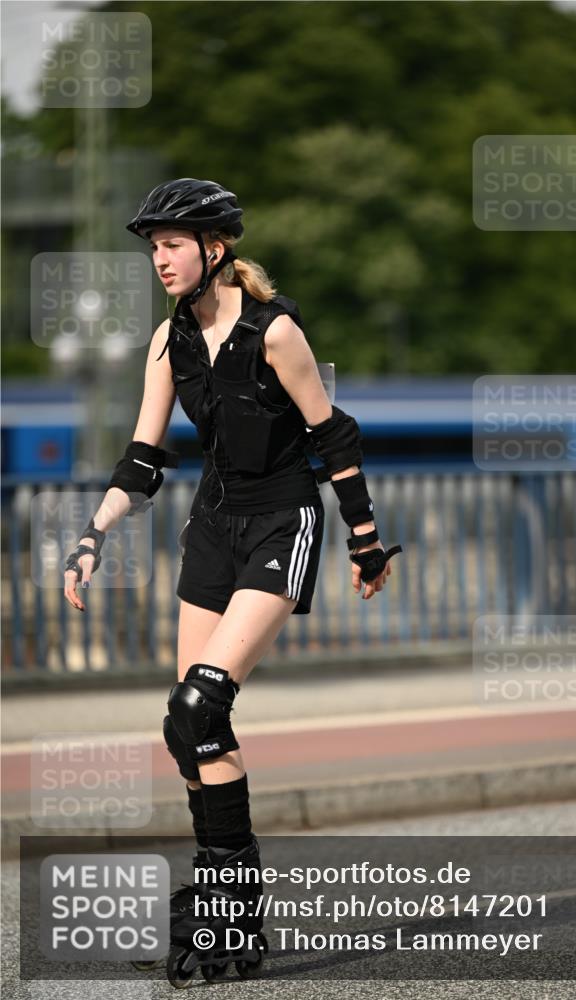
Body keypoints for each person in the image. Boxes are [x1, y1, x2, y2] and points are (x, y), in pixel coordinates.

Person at [63, 178, 401, 982]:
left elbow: (332, 436)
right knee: (189, 735)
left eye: (172, 245)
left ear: (215, 249)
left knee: (200, 701)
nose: (160, 260)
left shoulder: (274, 332)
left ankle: (227, 917)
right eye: (152, 248)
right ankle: (232, 917)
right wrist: (92, 535)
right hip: (211, 531)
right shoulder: (165, 341)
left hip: (283, 522)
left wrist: (365, 539)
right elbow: (143, 459)